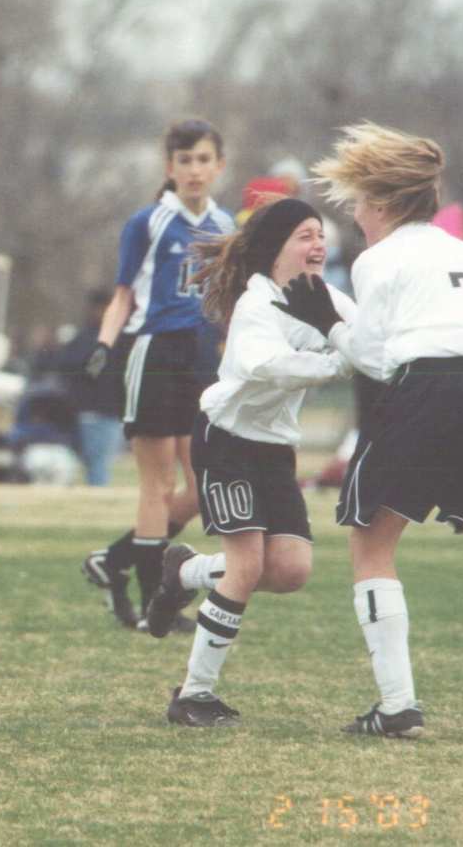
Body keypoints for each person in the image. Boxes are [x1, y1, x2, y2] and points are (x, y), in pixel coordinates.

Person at [274, 123, 463, 739]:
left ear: (382, 202)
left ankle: (397, 705)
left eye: (358, 201)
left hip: (431, 389)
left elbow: (377, 361)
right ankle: (396, 705)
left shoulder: (379, 259)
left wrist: (327, 322)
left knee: (372, 544)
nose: (355, 215)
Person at [137, 197, 357, 726]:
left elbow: (368, 338)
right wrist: (337, 361)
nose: (318, 245)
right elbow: (267, 365)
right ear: (276, 248)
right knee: (246, 567)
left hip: (275, 449)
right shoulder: (257, 304)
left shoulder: (326, 298)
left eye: (320, 234)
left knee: (290, 570)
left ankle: (184, 570)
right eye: (305, 235)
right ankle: (193, 696)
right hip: (227, 442)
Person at [79, 119, 236, 630]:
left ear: (219, 166)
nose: (194, 170)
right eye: (185, 160)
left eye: (203, 159)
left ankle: (115, 560)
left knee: (204, 485)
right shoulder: (148, 222)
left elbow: (229, 302)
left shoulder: (225, 224)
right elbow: (123, 294)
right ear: (170, 167)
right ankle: (154, 601)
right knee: (158, 483)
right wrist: (104, 345)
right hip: (155, 352)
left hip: (203, 357)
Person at [58, 288, 125, 486]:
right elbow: (92, 370)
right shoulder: (99, 339)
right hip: (97, 412)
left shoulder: (87, 337)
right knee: (98, 465)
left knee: (97, 463)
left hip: (100, 411)